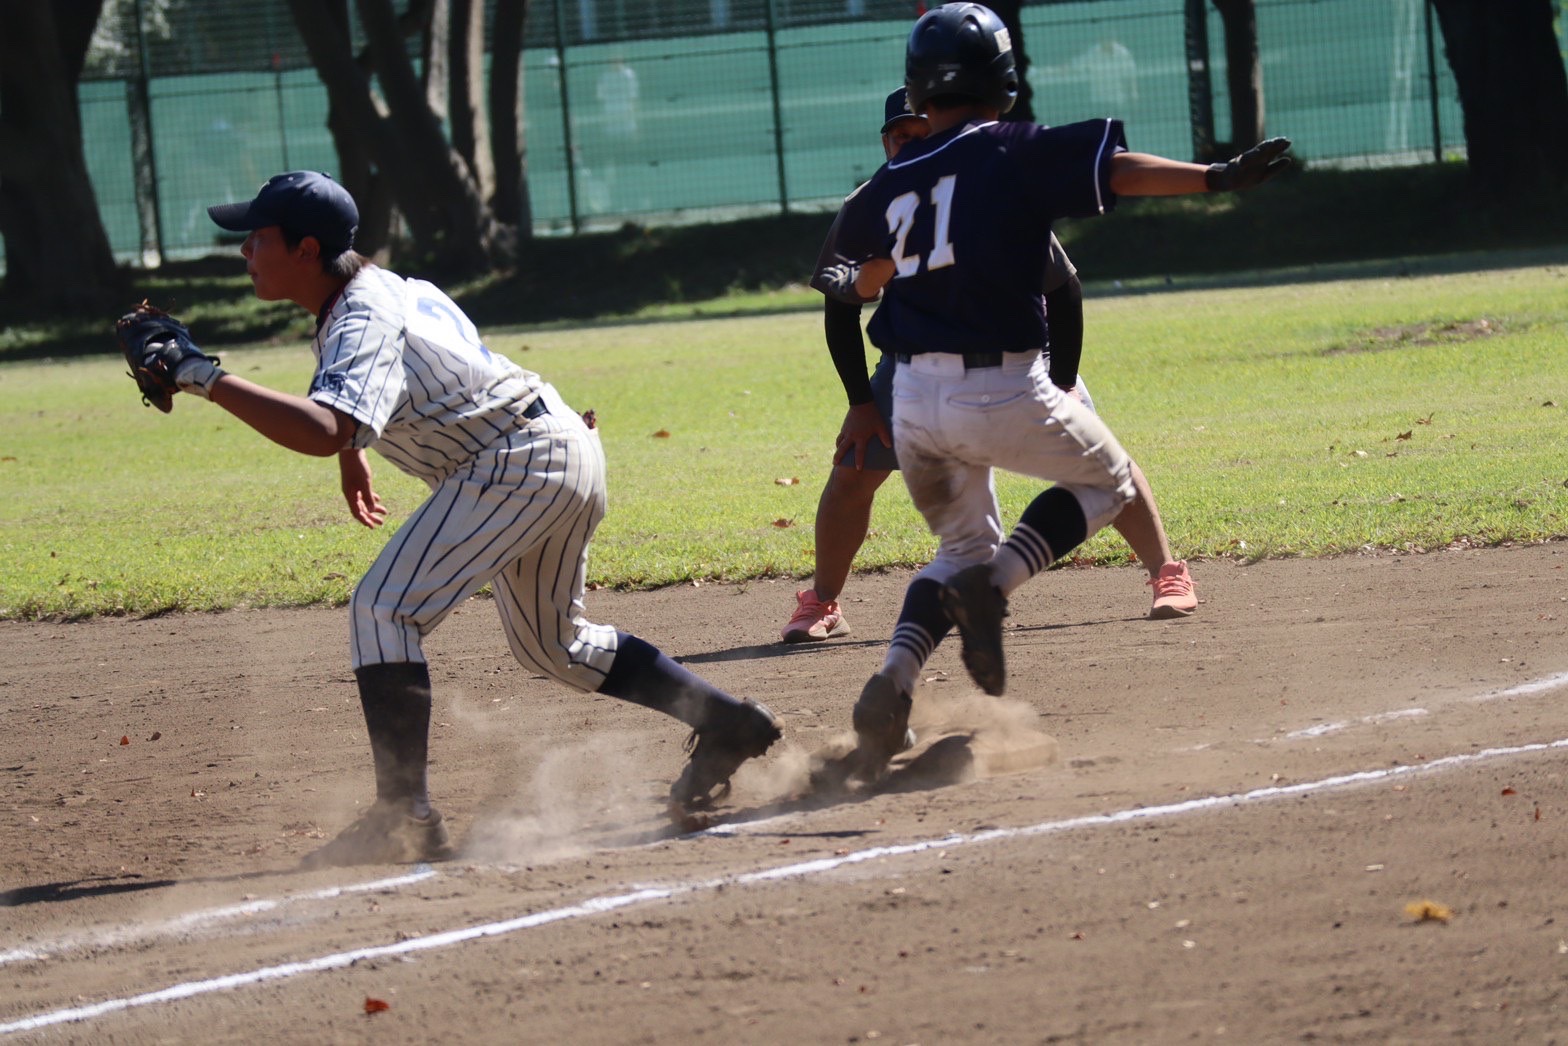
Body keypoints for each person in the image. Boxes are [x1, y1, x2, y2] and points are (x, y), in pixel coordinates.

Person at [178, 171, 778, 865]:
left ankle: (404, 817)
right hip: (553, 447)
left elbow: (325, 423)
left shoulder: (363, 314)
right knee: (554, 647)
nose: (244, 249)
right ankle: (726, 722)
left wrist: (203, 376)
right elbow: (423, 376)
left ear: (305, 248)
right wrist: (352, 449)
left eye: (256, 237)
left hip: (514, 463)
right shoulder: (387, 289)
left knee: (383, 610)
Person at [827, 3, 1289, 779]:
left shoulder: (890, 179)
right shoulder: (1007, 147)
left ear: (919, 90)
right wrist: (1215, 176)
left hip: (913, 404)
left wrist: (881, 273)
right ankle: (994, 591)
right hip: (999, 384)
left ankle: (892, 683)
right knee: (1106, 480)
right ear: (1002, 79)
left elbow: (852, 279)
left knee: (958, 546)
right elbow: (1115, 170)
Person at [781, 87, 1197, 644]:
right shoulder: (873, 202)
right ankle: (823, 602)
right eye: (900, 135)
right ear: (885, 142)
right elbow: (841, 311)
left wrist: (1065, 382)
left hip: (1020, 354)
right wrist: (860, 405)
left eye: (920, 131)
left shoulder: (986, 188)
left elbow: (1064, 289)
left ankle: (1167, 574)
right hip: (916, 364)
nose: (910, 142)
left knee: (1102, 463)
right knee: (852, 473)